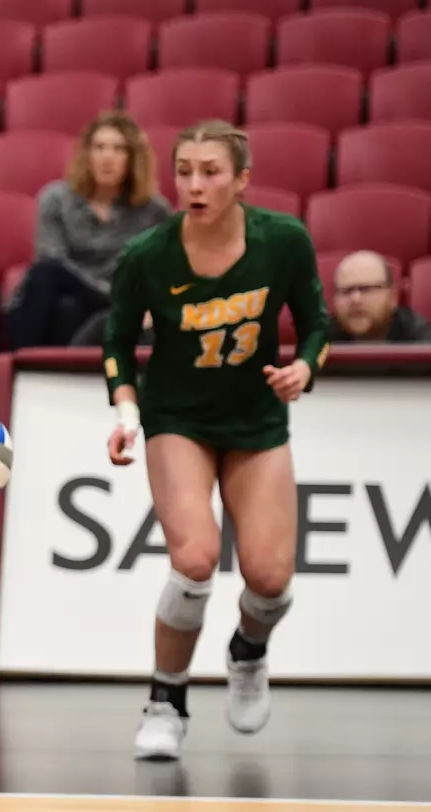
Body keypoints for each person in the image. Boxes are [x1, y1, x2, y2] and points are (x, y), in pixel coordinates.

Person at [102, 120, 331, 762]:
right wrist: (125, 409)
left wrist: (305, 368)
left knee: (269, 577)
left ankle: (248, 652)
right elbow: (117, 343)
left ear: (242, 180)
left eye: (211, 172)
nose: (195, 185)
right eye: (184, 171)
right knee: (196, 560)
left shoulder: (283, 242)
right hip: (177, 417)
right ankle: (165, 699)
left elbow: (316, 324)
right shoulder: (147, 255)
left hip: (256, 421)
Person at [5, 110, 172, 349]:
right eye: (99, 147)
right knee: (52, 280)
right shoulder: (56, 199)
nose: (107, 157)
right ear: (87, 154)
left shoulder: (154, 211)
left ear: (133, 158)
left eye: (118, 149)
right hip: (58, 304)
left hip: (113, 312)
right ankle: (23, 369)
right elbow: (52, 262)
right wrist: (105, 292)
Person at [328, 250, 431, 344]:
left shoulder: (419, 339)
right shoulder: (320, 340)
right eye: (346, 291)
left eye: (366, 289)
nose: (355, 299)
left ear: (393, 297)